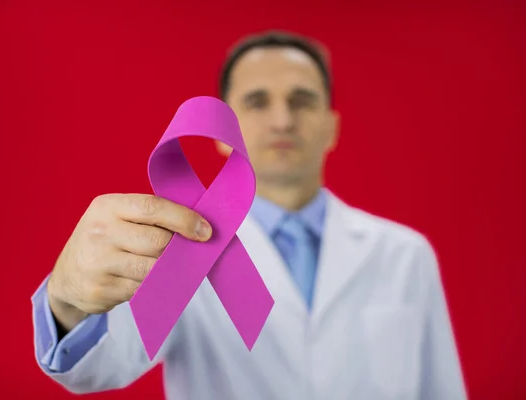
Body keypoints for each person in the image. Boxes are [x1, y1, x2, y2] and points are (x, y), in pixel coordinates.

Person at [31, 30, 468, 400]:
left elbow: (441, 387)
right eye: (258, 102)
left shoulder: (405, 255)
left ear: (331, 127)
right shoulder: (182, 251)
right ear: (223, 131)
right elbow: (97, 366)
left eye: (302, 101)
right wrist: (68, 302)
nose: (282, 119)